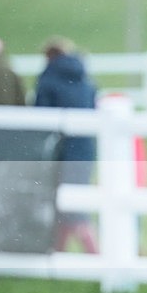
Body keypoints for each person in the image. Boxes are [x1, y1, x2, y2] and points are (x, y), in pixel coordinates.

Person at [35, 36, 98, 253]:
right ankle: (59, 254)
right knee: (69, 204)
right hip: (86, 151)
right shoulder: (84, 79)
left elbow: (40, 118)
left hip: (61, 153)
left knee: (70, 208)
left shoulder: (48, 80)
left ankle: (95, 254)